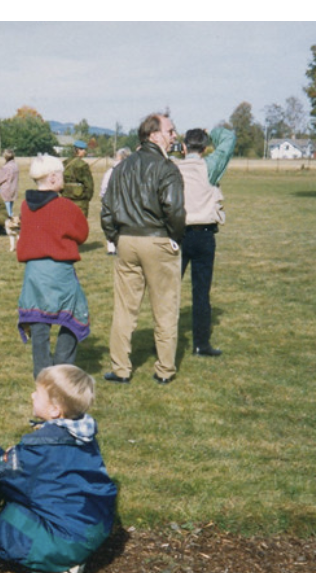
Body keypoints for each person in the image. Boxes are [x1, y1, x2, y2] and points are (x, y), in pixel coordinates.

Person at [0, 364, 120, 573]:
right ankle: (66, 553)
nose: (32, 395)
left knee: (1, 523)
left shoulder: (41, 450)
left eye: (37, 393)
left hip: (72, 540)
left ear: (55, 410)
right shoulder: (82, 436)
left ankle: (62, 568)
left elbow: (3, 475)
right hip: (98, 526)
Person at [99, 112, 188, 385]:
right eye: (170, 131)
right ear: (154, 135)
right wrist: (174, 237)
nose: (174, 135)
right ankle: (164, 370)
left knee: (125, 309)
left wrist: (116, 237)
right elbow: (174, 209)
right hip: (158, 240)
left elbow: (107, 210)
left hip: (126, 241)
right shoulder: (167, 167)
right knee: (165, 309)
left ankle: (121, 369)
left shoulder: (121, 167)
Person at [17, 156, 93, 374]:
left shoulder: (25, 205)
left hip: (33, 271)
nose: (63, 179)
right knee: (73, 316)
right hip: (59, 270)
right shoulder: (65, 206)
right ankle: (61, 367)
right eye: (60, 175)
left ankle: (42, 372)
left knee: (39, 320)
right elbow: (82, 233)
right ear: (52, 178)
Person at [173, 127, 235, 357]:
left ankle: (164, 342)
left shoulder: (173, 167)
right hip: (204, 235)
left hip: (177, 235)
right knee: (201, 293)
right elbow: (229, 139)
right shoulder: (210, 165)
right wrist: (214, 130)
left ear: (184, 147)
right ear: (206, 148)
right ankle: (201, 344)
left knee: (169, 292)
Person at [0, 150, 22, 237]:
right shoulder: (16, 166)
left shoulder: (6, 167)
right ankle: (11, 226)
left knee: (5, 210)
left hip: (6, 189)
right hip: (13, 189)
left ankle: (7, 227)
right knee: (10, 208)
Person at [62, 140, 95, 218]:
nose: (85, 152)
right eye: (83, 150)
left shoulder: (64, 163)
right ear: (78, 150)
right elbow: (89, 185)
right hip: (80, 201)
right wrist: (86, 198)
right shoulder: (83, 165)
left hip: (65, 199)